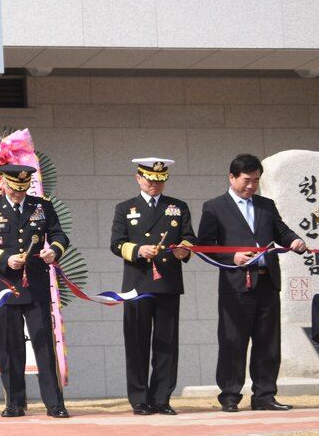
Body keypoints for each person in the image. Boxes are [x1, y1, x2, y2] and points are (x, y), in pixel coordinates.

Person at [198, 153, 307, 413]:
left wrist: (294, 240)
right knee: (233, 341)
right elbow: (205, 246)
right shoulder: (214, 207)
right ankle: (230, 396)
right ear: (232, 177)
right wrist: (231, 256)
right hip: (236, 286)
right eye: (246, 180)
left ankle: (265, 396)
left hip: (267, 282)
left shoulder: (266, 205)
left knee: (268, 342)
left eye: (256, 180)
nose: (251, 186)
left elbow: (281, 231)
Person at [0, 164, 69, 419]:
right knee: (9, 346)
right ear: (4, 183)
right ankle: (14, 402)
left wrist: (54, 251)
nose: (18, 193)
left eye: (23, 189)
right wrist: (5, 259)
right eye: (14, 188)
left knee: (44, 346)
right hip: (4, 287)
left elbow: (60, 235)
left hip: (35, 285)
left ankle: (54, 403)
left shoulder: (41, 207)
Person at [109, 158, 196, 416]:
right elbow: (116, 243)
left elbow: (190, 237)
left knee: (166, 343)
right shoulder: (125, 208)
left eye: (160, 180)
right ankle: (139, 398)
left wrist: (184, 250)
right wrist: (138, 250)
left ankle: (162, 398)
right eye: (149, 179)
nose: (155, 185)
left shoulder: (177, 207)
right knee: (137, 342)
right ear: (138, 178)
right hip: (137, 283)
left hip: (168, 283)